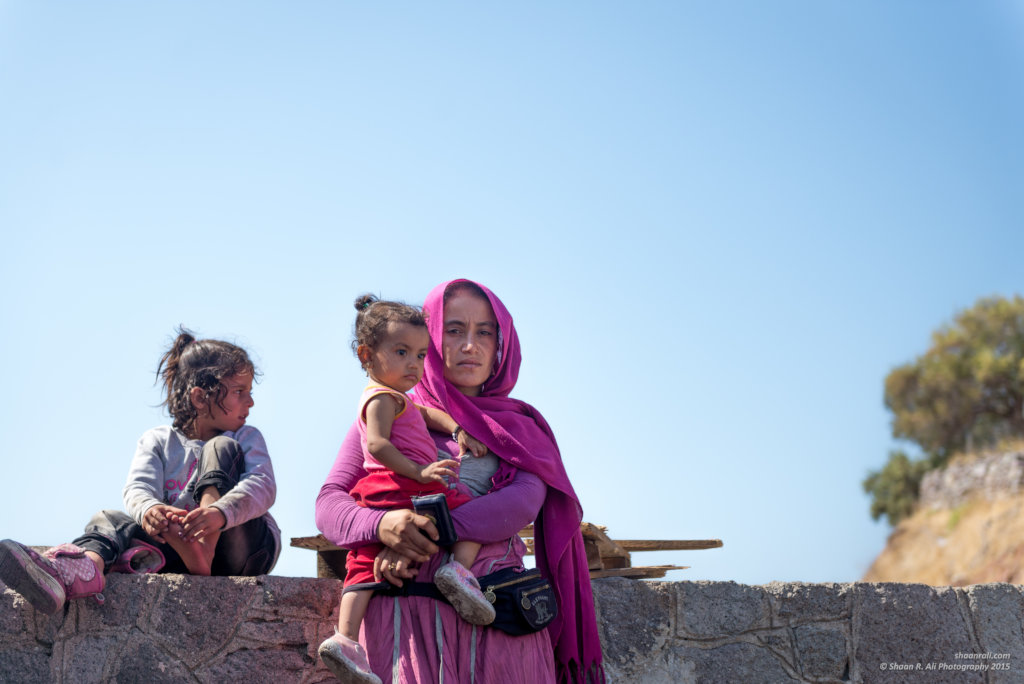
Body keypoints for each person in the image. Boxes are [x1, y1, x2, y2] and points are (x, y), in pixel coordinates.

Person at [316, 279, 604, 683]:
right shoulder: (390, 411)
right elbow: (330, 505)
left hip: (498, 626)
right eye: (454, 330)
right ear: (431, 340)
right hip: (403, 628)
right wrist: (384, 526)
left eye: (484, 331)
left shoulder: (519, 430)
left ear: (502, 344)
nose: (470, 345)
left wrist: (423, 533)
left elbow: (519, 503)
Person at [0, 328, 280, 614]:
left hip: (242, 548)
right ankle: (77, 571)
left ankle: (204, 543)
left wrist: (219, 514)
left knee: (221, 446)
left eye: (249, 392)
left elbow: (263, 484)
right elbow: (137, 489)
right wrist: (151, 511)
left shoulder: (245, 437)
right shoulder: (157, 441)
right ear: (199, 397)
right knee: (109, 519)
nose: (250, 402)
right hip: (181, 552)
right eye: (239, 392)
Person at [320, 295, 497, 683]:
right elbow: (376, 448)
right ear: (368, 355)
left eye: (419, 355)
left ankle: (345, 638)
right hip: (399, 491)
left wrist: (456, 430)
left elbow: (425, 412)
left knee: (361, 568)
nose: (414, 365)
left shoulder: (400, 399)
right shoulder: (382, 399)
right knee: (462, 510)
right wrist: (416, 478)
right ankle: (458, 572)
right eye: (402, 353)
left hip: (389, 496)